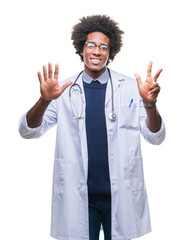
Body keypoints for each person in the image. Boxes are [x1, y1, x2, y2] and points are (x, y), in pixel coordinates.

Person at [19, 15, 166, 240]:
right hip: (79, 198)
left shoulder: (129, 88)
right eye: (91, 45)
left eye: (103, 47)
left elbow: (155, 137)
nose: (97, 51)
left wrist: (149, 103)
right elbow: (28, 131)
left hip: (121, 197)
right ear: (81, 48)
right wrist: (45, 100)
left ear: (111, 52)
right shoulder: (64, 90)